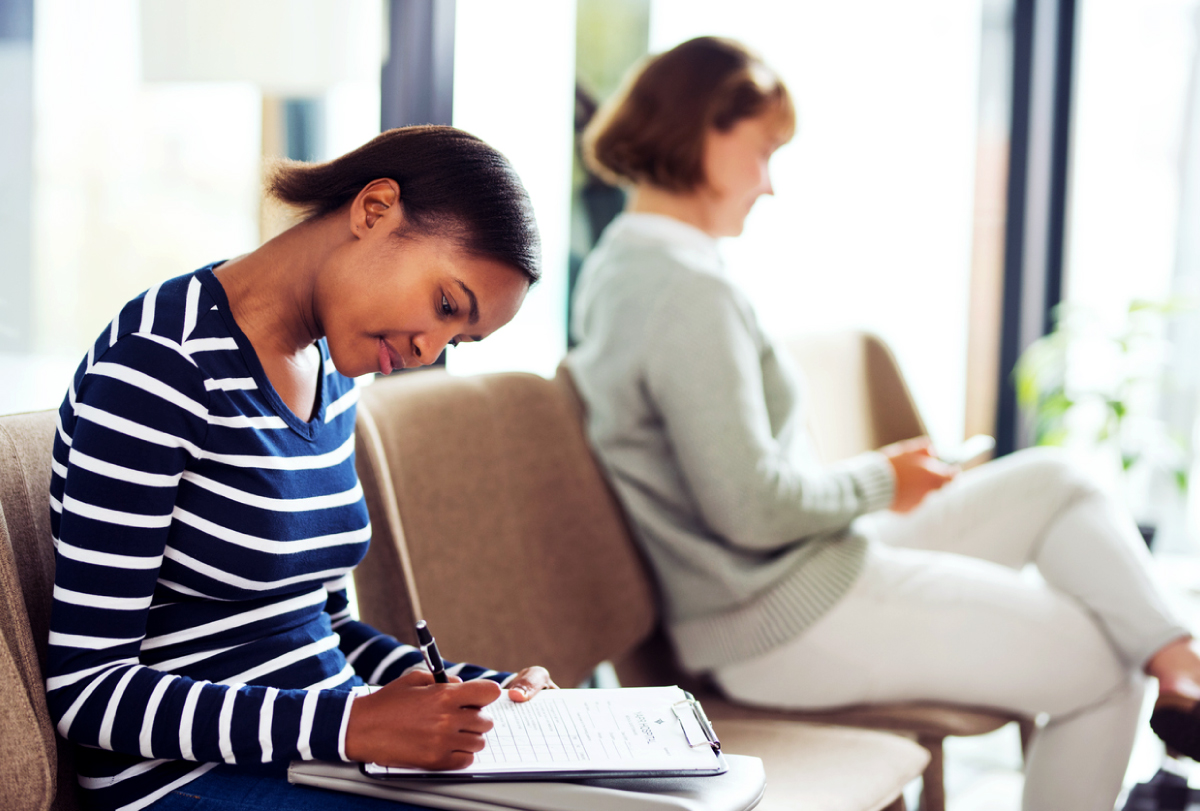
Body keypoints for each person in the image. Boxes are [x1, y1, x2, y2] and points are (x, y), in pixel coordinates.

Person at [568, 36, 1200, 811]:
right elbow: (749, 505)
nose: (769, 185)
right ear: (703, 128)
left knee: (1057, 480)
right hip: (782, 619)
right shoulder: (682, 291)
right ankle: (1165, 667)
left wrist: (880, 484)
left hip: (802, 577)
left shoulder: (629, 265)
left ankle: (1181, 661)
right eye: (764, 150)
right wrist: (882, 479)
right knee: (1104, 665)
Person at [45, 125, 557, 811]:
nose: (428, 348)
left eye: (456, 340)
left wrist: (482, 692)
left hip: (322, 757)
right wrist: (351, 725)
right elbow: (87, 688)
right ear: (373, 210)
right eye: (443, 304)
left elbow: (324, 628)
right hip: (181, 782)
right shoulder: (160, 365)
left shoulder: (333, 373)